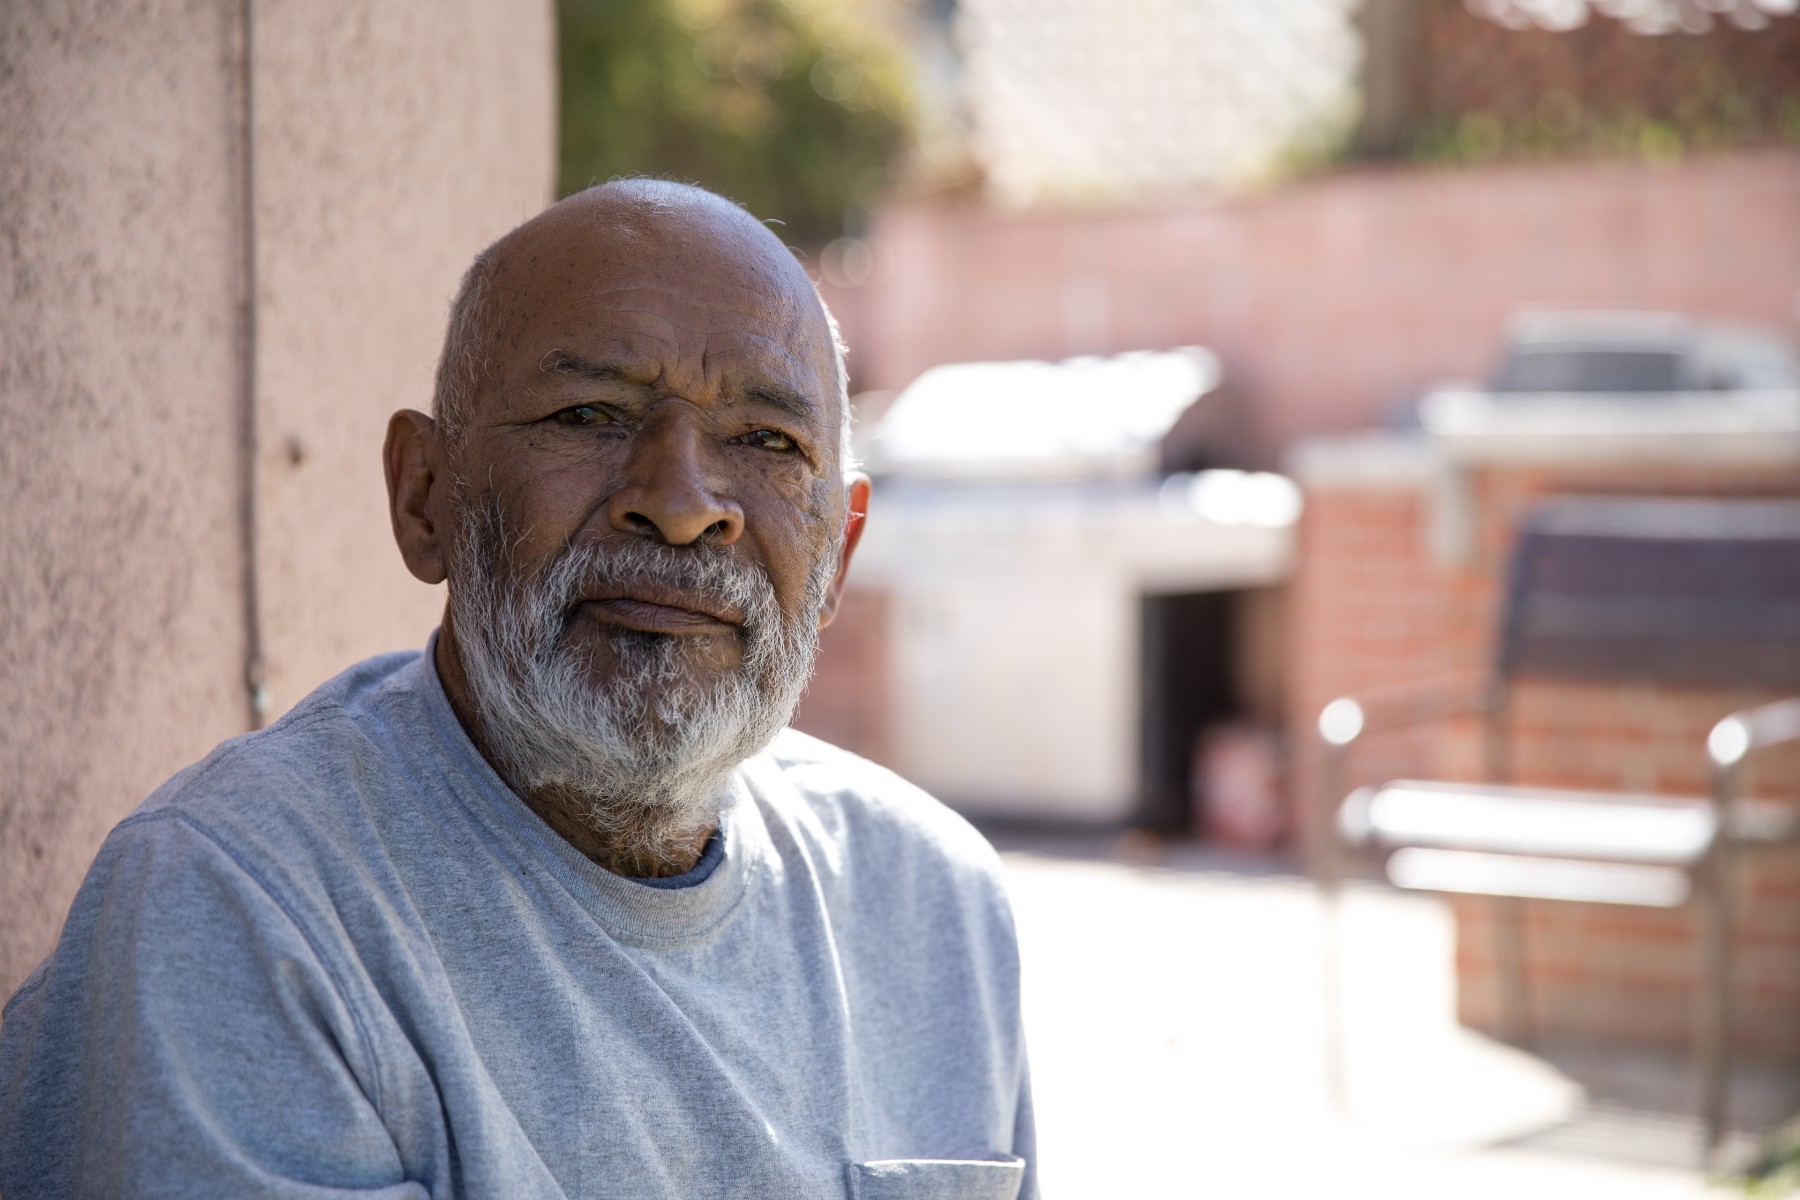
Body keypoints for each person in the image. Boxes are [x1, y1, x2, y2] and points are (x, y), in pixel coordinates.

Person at [0, 180, 1036, 1199]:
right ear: (425, 498)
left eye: (768, 441)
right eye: (589, 414)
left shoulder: (933, 903)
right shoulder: (244, 908)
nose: (682, 505)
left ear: (838, 553)